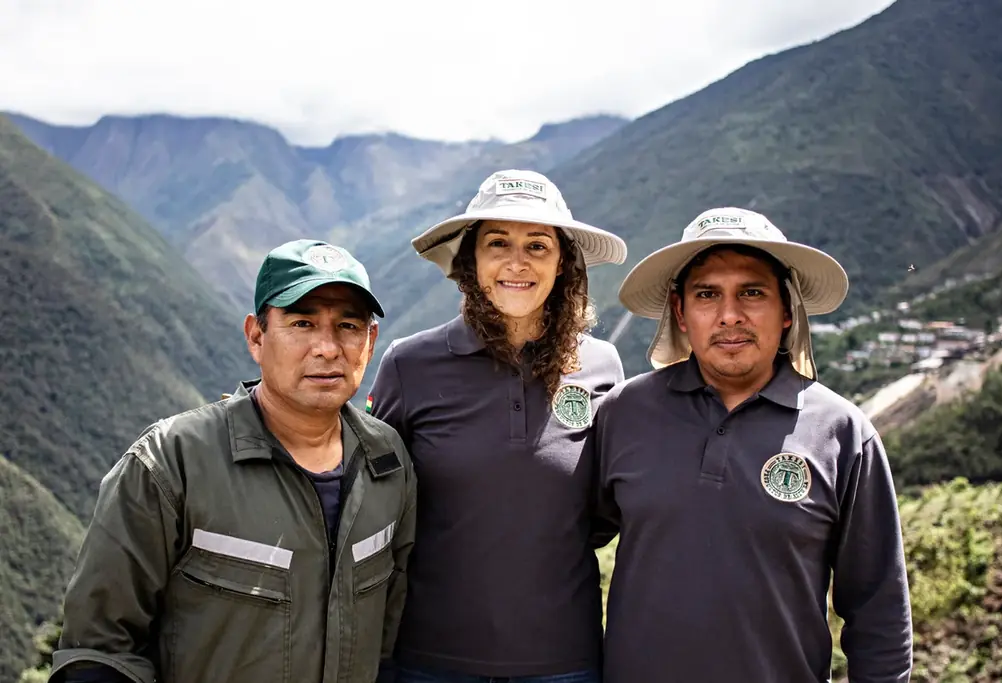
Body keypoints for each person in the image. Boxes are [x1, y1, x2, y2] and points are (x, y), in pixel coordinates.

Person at [49, 239, 417, 683]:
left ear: (370, 340)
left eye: (348, 326)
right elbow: (99, 651)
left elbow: (390, 634)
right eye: (302, 323)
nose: (327, 347)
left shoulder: (388, 462)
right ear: (256, 337)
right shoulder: (172, 462)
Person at [592, 208, 914, 683]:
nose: (730, 315)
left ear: (787, 311)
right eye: (707, 295)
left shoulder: (843, 434)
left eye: (752, 292)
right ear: (680, 312)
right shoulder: (624, 413)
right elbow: (565, 543)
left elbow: (878, 609)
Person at [366, 169, 628, 683]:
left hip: (565, 662)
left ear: (563, 264)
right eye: (497, 243)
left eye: (537, 245)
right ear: (470, 260)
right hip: (429, 660)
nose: (517, 262)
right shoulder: (410, 365)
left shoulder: (602, 366)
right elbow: (378, 503)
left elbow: (605, 508)